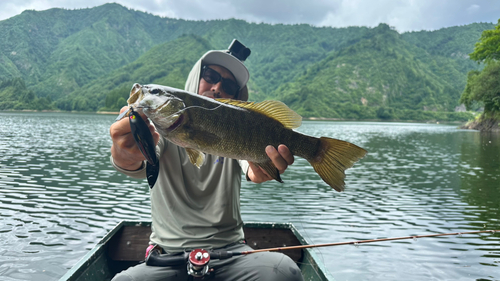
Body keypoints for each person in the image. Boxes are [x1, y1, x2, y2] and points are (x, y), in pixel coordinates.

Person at [109, 40, 304, 281]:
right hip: (166, 256)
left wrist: (262, 169)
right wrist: (125, 150)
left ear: (238, 96)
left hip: (232, 254)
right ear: (195, 77)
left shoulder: (236, 128)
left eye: (229, 84)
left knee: (284, 272)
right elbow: (132, 161)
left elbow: (251, 169)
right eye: (210, 75)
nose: (217, 86)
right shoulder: (159, 130)